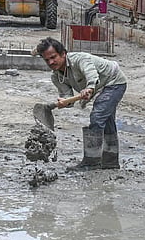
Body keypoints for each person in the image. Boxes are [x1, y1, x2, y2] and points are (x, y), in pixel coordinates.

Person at [36, 37, 127, 169]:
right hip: (100, 87)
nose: (51, 62)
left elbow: (92, 75)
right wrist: (63, 102)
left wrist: (89, 88)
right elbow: (68, 97)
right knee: (107, 120)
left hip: (113, 81)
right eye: (47, 60)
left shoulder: (79, 59)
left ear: (63, 54)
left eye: (53, 57)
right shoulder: (56, 76)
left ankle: (91, 161)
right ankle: (111, 162)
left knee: (97, 117)